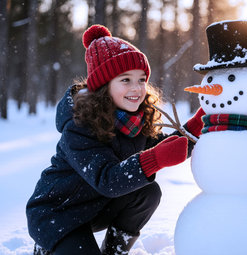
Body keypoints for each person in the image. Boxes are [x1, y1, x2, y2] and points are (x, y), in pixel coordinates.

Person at [26, 24, 205, 255]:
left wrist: (196, 126)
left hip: (94, 205)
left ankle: (114, 251)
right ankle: (47, 247)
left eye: (141, 79)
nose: (137, 88)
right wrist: (156, 158)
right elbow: (107, 179)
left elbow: (165, 147)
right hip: (57, 214)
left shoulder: (133, 120)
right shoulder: (79, 126)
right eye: (125, 80)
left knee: (148, 192)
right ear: (103, 85)